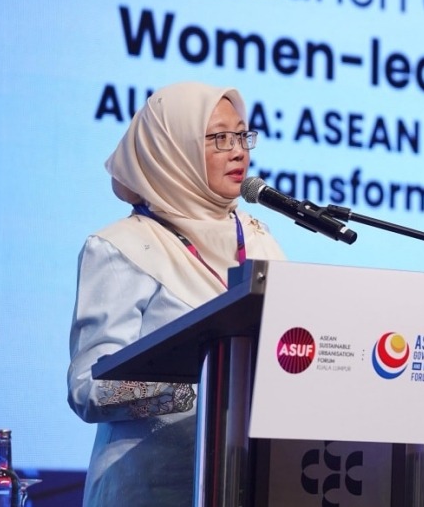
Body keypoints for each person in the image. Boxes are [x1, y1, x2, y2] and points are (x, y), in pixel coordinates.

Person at [67, 82, 285, 507]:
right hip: (149, 490)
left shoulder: (259, 239)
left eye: (242, 136)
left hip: (247, 482)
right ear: (171, 149)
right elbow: (88, 388)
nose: (238, 152)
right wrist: (199, 391)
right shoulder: (121, 248)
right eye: (219, 138)